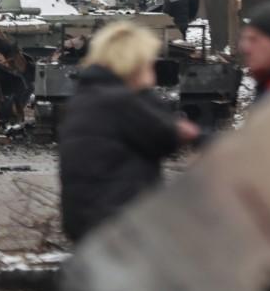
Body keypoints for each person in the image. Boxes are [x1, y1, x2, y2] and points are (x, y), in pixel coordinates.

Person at [59, 22, 200, 242]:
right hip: (117, 225)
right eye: (148, 61)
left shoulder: (88, 97)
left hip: (91, 222)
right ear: (133, 63)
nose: (152, 67)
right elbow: (166, 137)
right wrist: (144, 93)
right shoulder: (120, 102)